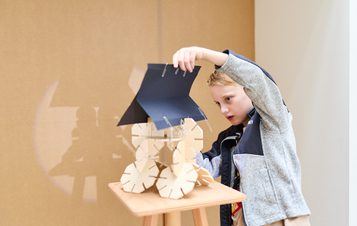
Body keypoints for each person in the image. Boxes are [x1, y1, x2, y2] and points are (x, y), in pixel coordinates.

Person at [172, 47, 311, 226]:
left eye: (228, 99)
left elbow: (256, 79)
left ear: (249, 91)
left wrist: (202, 54)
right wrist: (181, 130)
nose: (223, 109)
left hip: (280, 218)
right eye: (217, 103)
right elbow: (201, 171)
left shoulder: (273, 120)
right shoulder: (229, 140)